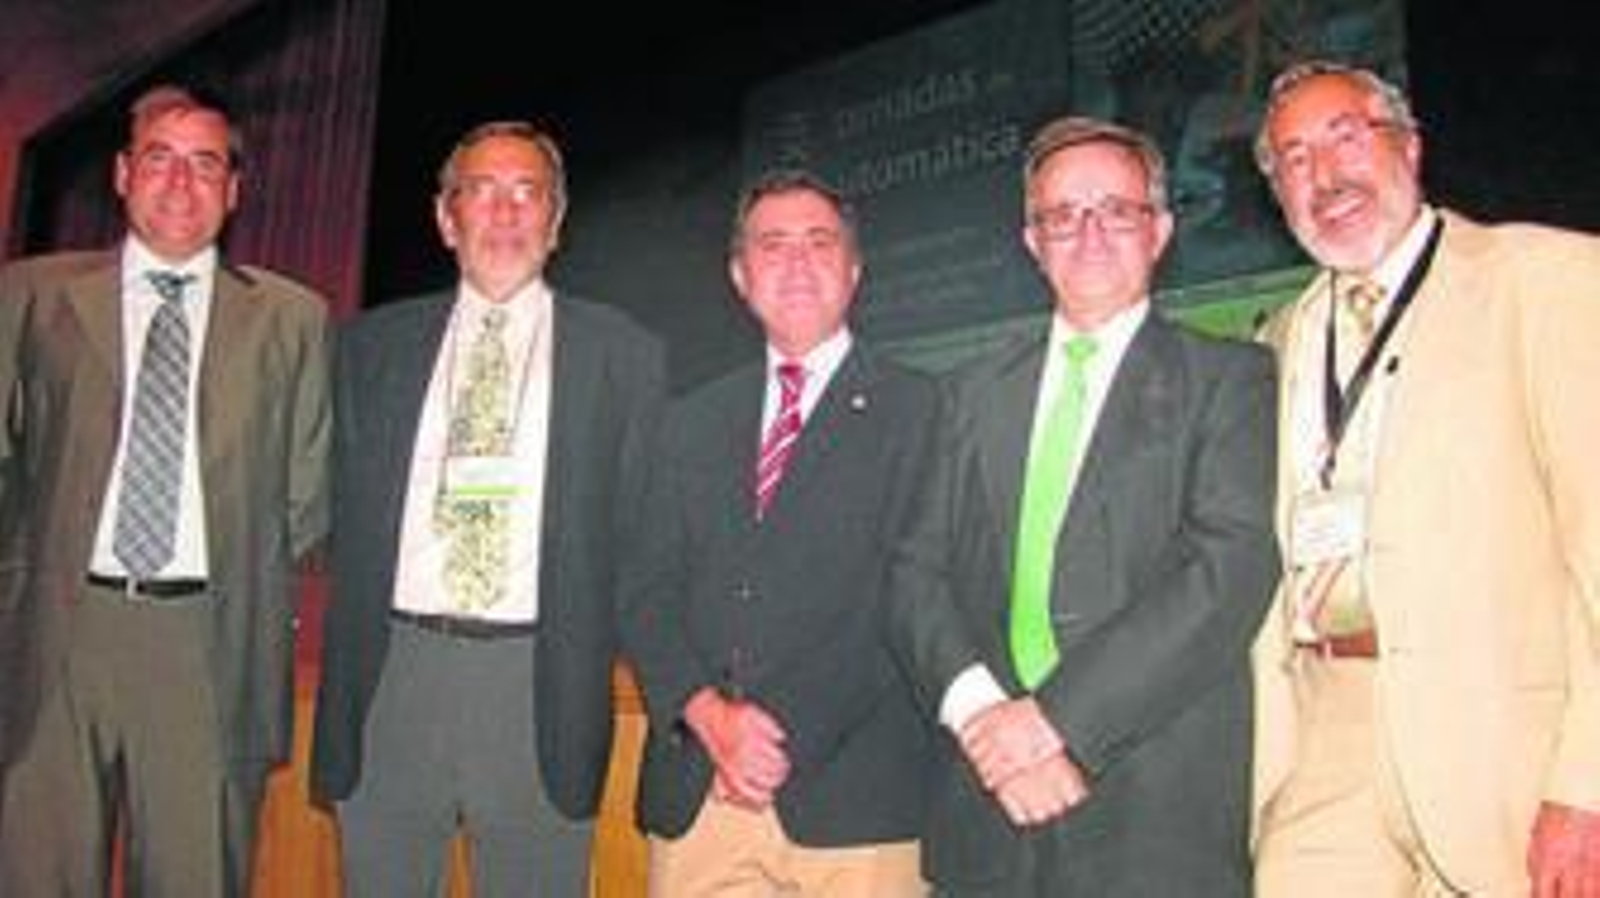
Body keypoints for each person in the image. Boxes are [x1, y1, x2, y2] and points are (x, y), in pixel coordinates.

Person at [886, 115, 1279, 896]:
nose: (1088, 232)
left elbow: (1225, 572)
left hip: (1153, 814)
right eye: (1061, 215)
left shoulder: (1233, 378)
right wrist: (983, 721)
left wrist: (1053, 723)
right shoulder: (967, 394)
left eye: (1116, 209)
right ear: (1032, 241)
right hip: (985, 808)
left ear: (1161, 229)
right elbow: (913, 575)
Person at [1249, 59, 1600, 897]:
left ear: (1409, 145)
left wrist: (1586, 783)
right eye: (1294, 160)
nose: (1324, 176)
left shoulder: (1547, 281)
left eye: (1345, 137)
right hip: (1323, 741)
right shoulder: (1276, 342)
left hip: (1503, 747)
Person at [309, 119, 665, 895]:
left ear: (557, 220)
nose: (505, 213)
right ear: (446, 218)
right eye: (482, 191)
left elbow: (642, 540)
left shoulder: (625, 357)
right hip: (391, 680)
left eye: (527, 192)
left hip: (540, 685)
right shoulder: (368, 350)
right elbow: (328, 508)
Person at [0, 83, 331, 896]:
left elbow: (307, 497)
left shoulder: (294, 319)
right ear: (121, 174)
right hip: (56, 639)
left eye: (205, 164)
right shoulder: (28, 297)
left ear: (234, 189)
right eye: (160, 159)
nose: (181, 183)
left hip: (205, 647)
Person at [617, 169, 939, 896]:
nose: (796, 262)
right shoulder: (688, 421)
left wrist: (770, 743)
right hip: (702, 792)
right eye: (772, 244)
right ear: (740, 275)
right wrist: (709, 717)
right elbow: (644, 591)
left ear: (854, 271)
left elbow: (912, 599)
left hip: (859, 802)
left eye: (819, 242)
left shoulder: (926, 412)